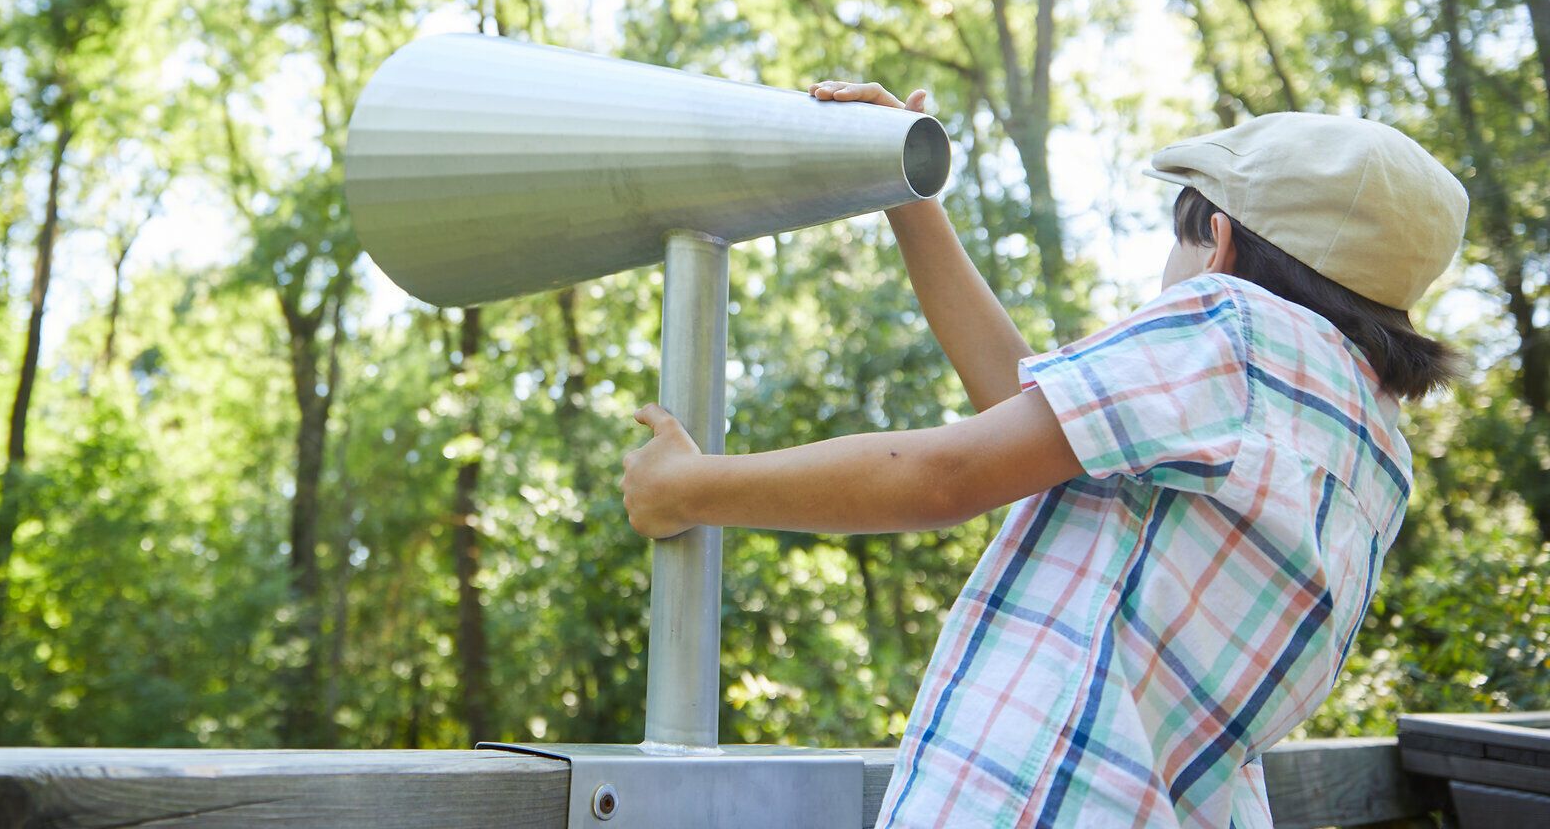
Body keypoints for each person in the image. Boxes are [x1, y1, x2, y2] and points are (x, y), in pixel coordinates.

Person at [619, 83, 1468, 827]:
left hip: (1033, 800)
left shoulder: (1231, 330)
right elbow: (1018, 416)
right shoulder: (1368, 448)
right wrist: (909, 199)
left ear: (1219, 243)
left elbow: (943, 473)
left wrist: (688, 487)